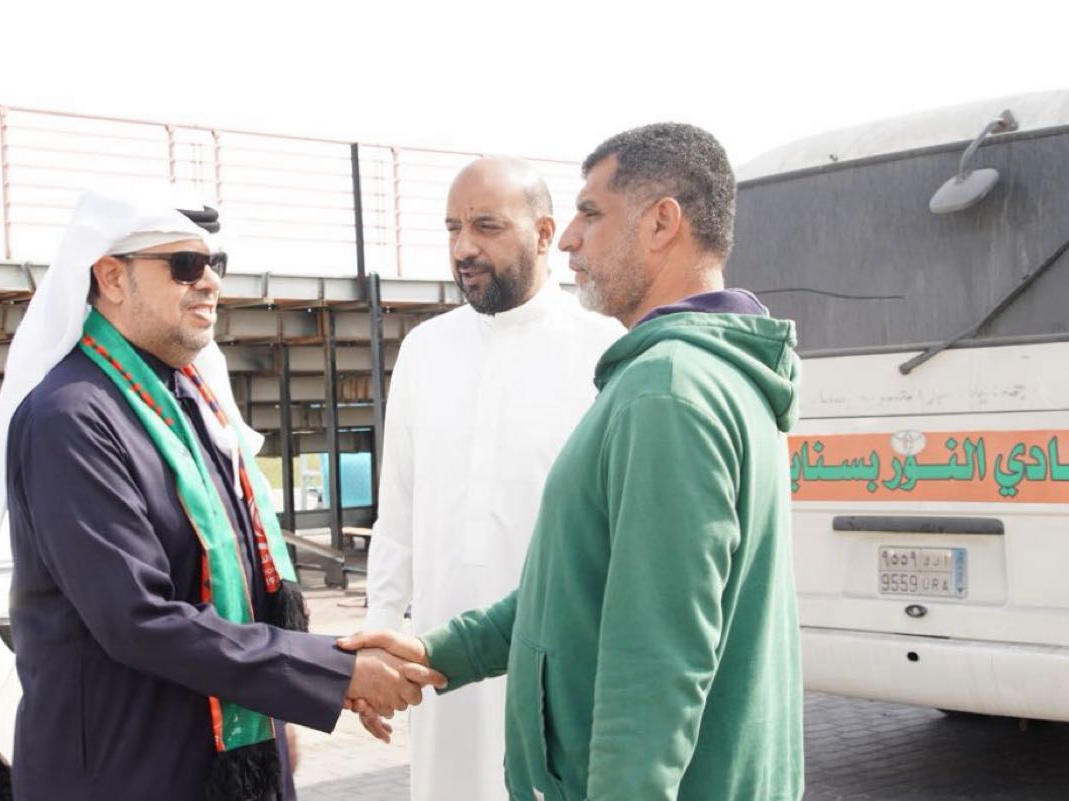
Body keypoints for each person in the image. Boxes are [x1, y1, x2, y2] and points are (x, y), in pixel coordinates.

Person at [344, 123, 805, 801]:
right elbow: (580, 581)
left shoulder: (667, 390)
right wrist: (440, 651)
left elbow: (655, 663)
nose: (569, 239)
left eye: (591, 214)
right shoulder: (697, 371)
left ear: (661, 223)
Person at [0, 190, 444, 801]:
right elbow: (139, 619)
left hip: (226, 759)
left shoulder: (191, 401)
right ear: (112, 277)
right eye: (184, 265)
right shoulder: (71, 417)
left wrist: (279, 711)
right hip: (125, 771)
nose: (209, 282)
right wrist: (335, 673)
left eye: (215, 264)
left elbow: (240, 585)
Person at [363, 157, 622, 801]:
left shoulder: (603, 348)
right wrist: (377, 641)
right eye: (453, 228)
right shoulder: (424, 350)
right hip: (439, 665)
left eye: (486, 226)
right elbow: (398, 518)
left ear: (544, 233)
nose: (463, 248)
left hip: (559, 667)